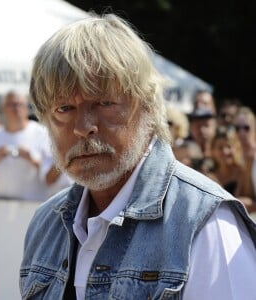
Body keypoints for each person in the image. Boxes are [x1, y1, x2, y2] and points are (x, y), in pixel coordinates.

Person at [20, 13, 256, 300]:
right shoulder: (47, 224)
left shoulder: (205, 223)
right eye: (64, 109)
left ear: (147, 106)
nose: (83, 128)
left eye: (105, 103)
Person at [0, 91, 50, 201]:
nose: (16, 108)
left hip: (35, 205)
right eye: (12, 104)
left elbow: (55, 176)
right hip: (1, 207)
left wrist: (32, 160)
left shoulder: (43, 133)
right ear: (3, 108)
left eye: (20, 104)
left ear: (27, 108)